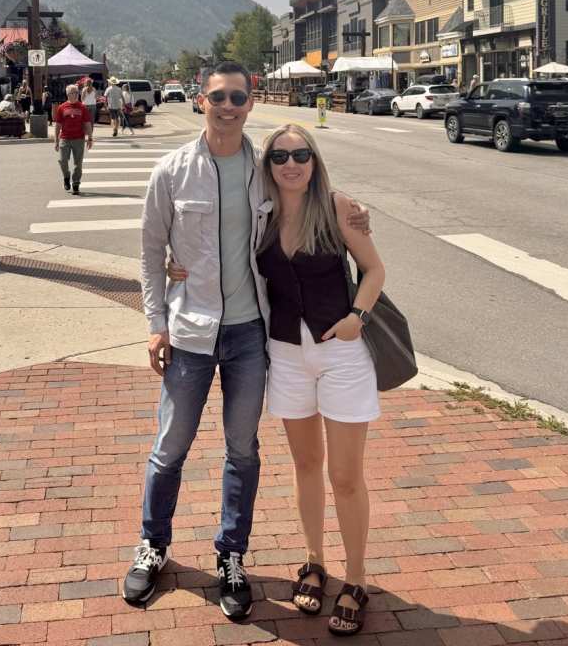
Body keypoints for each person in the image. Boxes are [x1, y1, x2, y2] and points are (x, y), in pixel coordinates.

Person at [122, 61, 370, 620]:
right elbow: (147, 253)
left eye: (238, 96)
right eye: (218, 96)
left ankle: (231, 555)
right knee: (170, 448)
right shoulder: (171, 170)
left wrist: (353, 208)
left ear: (251, 103)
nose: (228, 105)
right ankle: (153, 546)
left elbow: (308, 192)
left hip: (249, 333)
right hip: (188, 331)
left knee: (243, 452)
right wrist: (154, 322)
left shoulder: (264, 169)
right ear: (200, 101)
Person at [255, 124, 384, 636]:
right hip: (286, 353)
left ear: (314, 160)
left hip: (341, 353)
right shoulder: (259, 213)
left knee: (346, 476)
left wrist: (358, 316)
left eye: (301, 154)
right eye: (281, 156)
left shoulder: (337, 208)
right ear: (268, 165)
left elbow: (374, 270)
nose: (291, 164)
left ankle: (356, 579)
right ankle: (314, 559)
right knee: (306, 464)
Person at [54, 83, 93, 194]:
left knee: (78, 164)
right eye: (72, 93)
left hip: (79, 139)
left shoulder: (82, 107)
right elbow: (58, 125)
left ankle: (76, 183)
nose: (75, 95)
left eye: (76, 92)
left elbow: (87, 123)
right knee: (62, 160)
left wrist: (90, 138)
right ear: (67, 94)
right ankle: (66, 177)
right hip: (65, 138)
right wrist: (56, 141)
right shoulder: (62, 107)